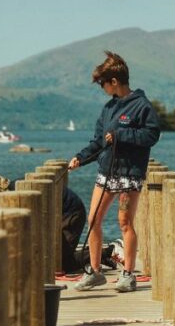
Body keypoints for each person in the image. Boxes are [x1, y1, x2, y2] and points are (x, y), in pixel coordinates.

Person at [69, 51, 160, 292]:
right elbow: (99, 141)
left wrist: (122, 135)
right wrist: (80, 157)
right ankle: (95, 271)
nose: (102, 88)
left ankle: (128, 274)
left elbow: (151, 135)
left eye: (103, 84)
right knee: (93, 219)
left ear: (114, 82)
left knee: (125, 222)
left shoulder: (142, 106)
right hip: (105, 171)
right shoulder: (108, 109)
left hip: (130, 173)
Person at [0, 169, 88, 274]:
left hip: (70, 213)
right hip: (59, 214)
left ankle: (102, 254)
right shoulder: (12, 191)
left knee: (57, 264)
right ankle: (94, 253)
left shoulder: (16, 196)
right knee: (52, 261)